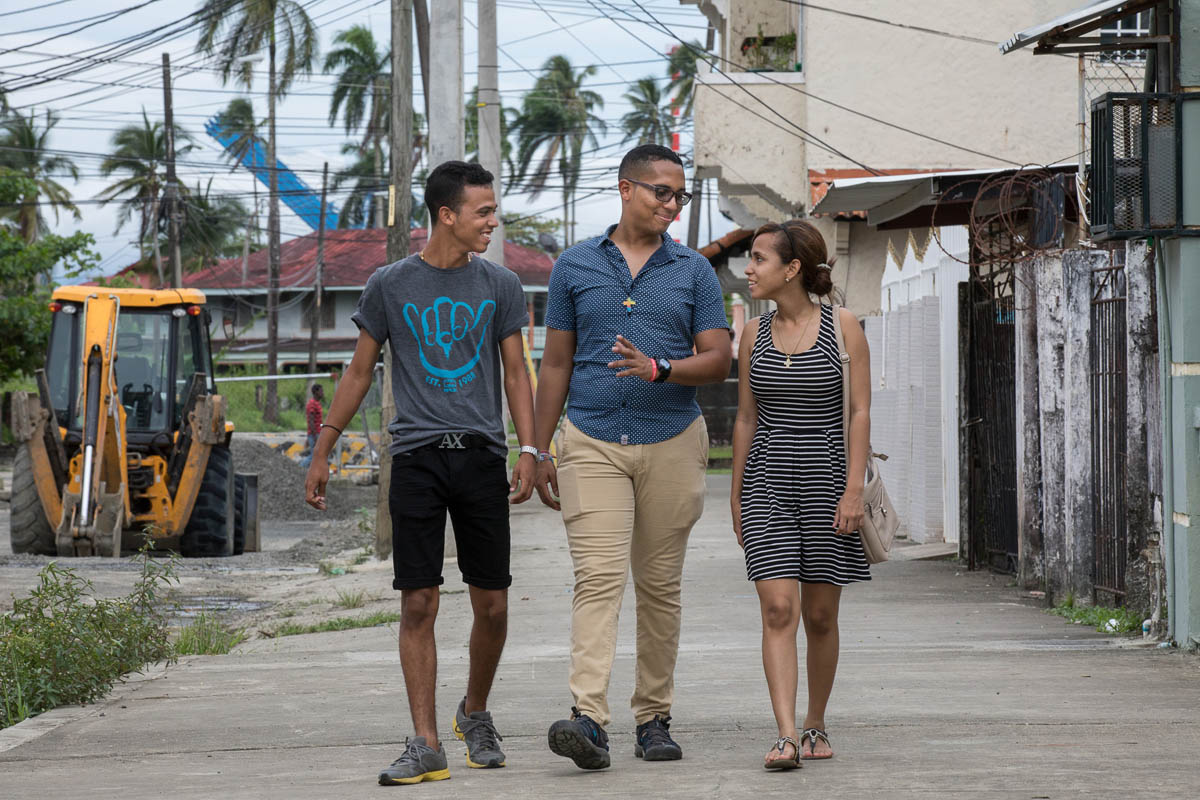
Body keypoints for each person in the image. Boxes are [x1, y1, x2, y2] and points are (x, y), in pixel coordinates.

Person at [303, 161, 538, 786]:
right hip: (415, 457)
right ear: (446, 215)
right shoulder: (389, 284)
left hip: (482, 454)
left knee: (492, 604)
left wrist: (530, 448)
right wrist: (324, 447)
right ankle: (425, 740)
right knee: (419, 600)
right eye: (483, 211)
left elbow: (517, 373)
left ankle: (475, 712)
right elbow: (358, 371)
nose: (493, 221)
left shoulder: (501, 285)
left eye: (494, 210)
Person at [532, 144, 732, 770]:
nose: (672, 206)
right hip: (590, 440)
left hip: (672, 439)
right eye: (660, 193)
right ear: (625, 189)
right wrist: (537, 448)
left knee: (659, 585)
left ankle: (654, 717)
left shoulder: (694, 271)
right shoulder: (573, 266)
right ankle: (588, 717)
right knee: (597, 577)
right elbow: (556, 363)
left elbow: (719, 359)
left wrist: (660, 367)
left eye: (680, 196)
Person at [730, 219, 872, 770]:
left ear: (792, 269)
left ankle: (815, 723)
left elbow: (859, 410)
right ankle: (786, 735)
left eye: (759, 259)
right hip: (769, 483)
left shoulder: (843, 327)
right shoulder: (752, 334)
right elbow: (745, 418)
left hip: (829, 484)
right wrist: (739, 495)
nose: (749, 269)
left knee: (818, 615)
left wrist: (854, 488)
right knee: (777, 609)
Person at [299, 383, 324, 468]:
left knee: (318, 455)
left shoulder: (317, 403)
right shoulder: (312, 404)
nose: (323, 393)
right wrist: (314, 436)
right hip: (315, 433)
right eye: (321, 391)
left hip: (317, 433)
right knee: (314, 456)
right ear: (316, 392)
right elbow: (311, 421)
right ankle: (300, 467)